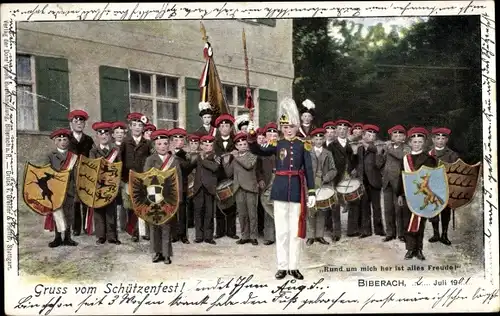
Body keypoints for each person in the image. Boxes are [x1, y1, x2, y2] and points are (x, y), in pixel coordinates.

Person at [248, 97, 316, 281]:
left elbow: (308, 169)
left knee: (295, 231)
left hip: (296, 190)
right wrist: (252, 136)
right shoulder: (276, 144)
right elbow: (257, 150)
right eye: (285, 127)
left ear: (296, 127)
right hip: (279, 190)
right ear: (282, 128)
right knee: (282, 231)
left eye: (291, 127)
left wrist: (311, 191)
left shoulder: (304, 145)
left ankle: (294, 266)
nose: (288, 130)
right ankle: (282, 267)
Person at [397, 127, 438, 261]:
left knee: (420, 223)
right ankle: (409, 249)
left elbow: (433, 179)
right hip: (408, 195)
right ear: (410, 143)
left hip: (422, 195)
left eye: (420, 142)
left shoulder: (429, 159)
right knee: (407, 222)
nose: (417, 144)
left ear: (424, 143)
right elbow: (401, 177)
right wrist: (399, 194)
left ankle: (419, 250)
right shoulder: (405, 159)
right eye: (414, 142)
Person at [144, 129, 181, 264]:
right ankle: (157, 252)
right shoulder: (150, 160)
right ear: (154, 146)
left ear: (169, 145)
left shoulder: (174, 160)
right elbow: (145, 178)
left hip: (168, 198)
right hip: (153, 197)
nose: (162, 146)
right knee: (154, 226)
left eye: (165, 143)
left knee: (166, 226)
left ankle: (166, 254)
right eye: (159, 144)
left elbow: (179, 180)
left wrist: (178, 198)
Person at [42, 128, 79, 248]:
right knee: (57, 214)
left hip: (69, 190)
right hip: (55, 191)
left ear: (68, 141)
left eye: (65, 139)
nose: (63, 141)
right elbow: (45, 172)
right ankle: (57, 238)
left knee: (69, 214)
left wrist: (75, 189)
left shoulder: (73, 157)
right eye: (60, 139)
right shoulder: (50, 156)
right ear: (55, 142)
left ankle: (68, 237)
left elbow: (76, 175)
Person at [326, 119, 360, 240]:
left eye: (344, 129)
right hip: (336, 177)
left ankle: (352, 230)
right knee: (335, 205)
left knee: (353, 202)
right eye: (339, 129)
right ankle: (336, 232)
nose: (342, 131)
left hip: (349, 176)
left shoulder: (352, 145)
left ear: (348, 131)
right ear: (336, 131)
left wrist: (354, 168)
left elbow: (355, 160)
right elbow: (328, 163)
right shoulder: (332, 145)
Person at [120, 112, 152, 242]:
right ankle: (134, 231)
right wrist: (123, 178)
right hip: (129, 177)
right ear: (130, 127)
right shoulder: (125, 142)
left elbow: (151, 159)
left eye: (140, 125)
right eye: (135, 125)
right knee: (132, 206)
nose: (137, 128)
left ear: (143, 128)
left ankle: (145, 232)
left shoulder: (147, 143)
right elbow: (120, 160)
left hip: (143, 178)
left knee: (144, 203)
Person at [89, 122, 122, 245]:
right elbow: (92, 167)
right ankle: (101, 236)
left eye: (106, 133)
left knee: (111, 211)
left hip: (111, 185)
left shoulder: (115, 151)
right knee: (98, 211)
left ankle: (112, 236)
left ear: (110, 136)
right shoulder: (93, 151)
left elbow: (118, 167)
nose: (104, 136)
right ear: (97, 136)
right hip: (98, 185)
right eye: (100, 134)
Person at [224, 132, 259, 245]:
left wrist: (236, 156)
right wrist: (225, 162)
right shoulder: (235, 158)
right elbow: (229, 173)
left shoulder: (252, 155)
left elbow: (248, 165)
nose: (243, 146)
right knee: (242, 214)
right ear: (236, 147)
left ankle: (253, 236)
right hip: (238, 188)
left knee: (252, 214)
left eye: (245, 144)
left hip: (250, 188)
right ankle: (245, 236)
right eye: (240, 145)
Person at [428, 127, 459, 245]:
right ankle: (435, 234)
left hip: (446, 187)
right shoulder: (428, 153)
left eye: (443, 138)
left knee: (445, 211)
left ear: (447, 140)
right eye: (438, 138)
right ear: (433, 139)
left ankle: (444, 235)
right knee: (433, 211)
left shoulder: (452, 154)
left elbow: (456, 171)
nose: (440, 141)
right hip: (432, 187)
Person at [306, 128, 337, 245]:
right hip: (311, 183)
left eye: (320, 139)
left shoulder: (328, 153)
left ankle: (319, 235)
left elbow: (334, 169)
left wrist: (326, 177)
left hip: (324, 183)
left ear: (324, 139)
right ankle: (310, 236)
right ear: (312, 140)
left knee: (322, 210)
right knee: (311, 209)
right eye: (316, 139)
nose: (318, 141)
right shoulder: (307, 153)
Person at [67, 109, 94, 236]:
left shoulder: (89, 140)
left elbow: (92, 157)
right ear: (71, 123)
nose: (78, 123)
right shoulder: (66, 139)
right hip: (71, 175)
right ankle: (76, 228)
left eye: (81, 121)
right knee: (74, 202)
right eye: (75, 120)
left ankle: (86, 227)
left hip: (85, 174)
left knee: (85, 199)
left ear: (84, 124)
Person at [380, 125, 409, 242]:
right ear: (391, 136)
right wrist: (380, 152)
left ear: (404, 137)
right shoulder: (387, 147)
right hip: (387, 181)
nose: (397, 137)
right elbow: (380, 163)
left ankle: (401, 234)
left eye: (400, 135)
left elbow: (402, 157)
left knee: (399, 209)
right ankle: (390, 233)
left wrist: (388, 149)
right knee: (388, 209)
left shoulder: (406, 148)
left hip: (399, 182)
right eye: (394, 135)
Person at [213, 113, 239, 240]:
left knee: (232, 204)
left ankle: (231, 231)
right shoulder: (213, 142)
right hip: (217, 176)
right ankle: (219, 231)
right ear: (218, 129)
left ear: (231, 128)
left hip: (231, 176)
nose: (224, 128)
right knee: (218, 203)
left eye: (226, 126)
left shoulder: (236, 142)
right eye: (221, 126)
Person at [357, 124, 385, 238]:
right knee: (364, 206)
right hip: (363, 180)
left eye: (373, 135)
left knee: (376, 206)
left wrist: (367, 146)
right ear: (363, 135)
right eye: (369, 135)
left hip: (375, 180)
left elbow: (379, 162)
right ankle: (366, 230)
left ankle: (379, 230)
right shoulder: (359, 148)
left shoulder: (378, 146)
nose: (371, 137)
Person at [169, 128, 196, 244]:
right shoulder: (167, 153)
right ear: (171, 141)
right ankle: (174, 234)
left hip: (182, 185)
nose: (178, 142)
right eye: (176, 140)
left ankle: (183, 235)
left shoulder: (185, 155)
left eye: (181, 140)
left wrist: (179, 157)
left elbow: (187, 169)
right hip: (170, 185)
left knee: (183, 211)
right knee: (172, 210)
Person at [192, 135, 219, 244]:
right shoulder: (197, 156)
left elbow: (215, 167)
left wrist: (203, 160)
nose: (208, 147)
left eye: (211, 145)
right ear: (202, 146)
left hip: (210, 188)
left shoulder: (216, 156)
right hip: (199, 187)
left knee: (209, 213)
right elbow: (190, 166)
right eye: (206, 145)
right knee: (198, 212)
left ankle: (208, 236)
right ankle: (199, 236)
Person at [257, 123, 278, 245]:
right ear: (265, 136)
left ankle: (280, 234)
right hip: (268, 180)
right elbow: (257, 168)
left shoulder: (282, 147)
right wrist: (260, 179)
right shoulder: (262, 149)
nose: (272, 136)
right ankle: (269, 236)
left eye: (274, 134)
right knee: (267, 207)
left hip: (281, 179)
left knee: (280, 207)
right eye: (269, 134)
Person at [112, 121, 128, 232]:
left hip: (124, 178)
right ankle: (114, 225)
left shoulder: (127, 146)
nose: (119, 134)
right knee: (114, 202)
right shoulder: (111, 147)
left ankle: (123, 225)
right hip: (113, 178)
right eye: (117, 132)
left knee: (124, 203)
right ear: (113, 135)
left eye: (121, 132)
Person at [186, 133, 201, 228]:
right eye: (192, 143)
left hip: (198, 180)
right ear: (189, 144)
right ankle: (190, 222)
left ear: (199, 144)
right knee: (189, 202)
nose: (194, 145)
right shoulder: (186, 155)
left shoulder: (201, 155)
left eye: (196, 143)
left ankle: (198, 221)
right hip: (188, 180)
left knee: (198, 203)